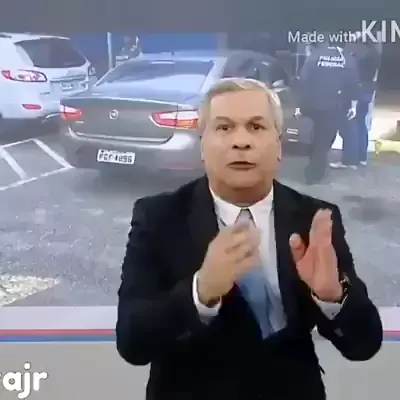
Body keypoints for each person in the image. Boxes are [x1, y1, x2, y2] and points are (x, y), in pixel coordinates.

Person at [116, 78, 382, 400]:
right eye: (224, 127)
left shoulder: (315, 220)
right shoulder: (159, 217)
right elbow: (132, 343)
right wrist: (200, 293)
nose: (241, 141)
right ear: (202, 146)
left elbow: (364, 345)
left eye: (256, 127)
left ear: (279, 146)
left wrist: (332, 296)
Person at [294, 40, 359, 184]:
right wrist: (353, 106)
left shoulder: (315, 56)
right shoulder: (346, 59)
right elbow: (353, 84)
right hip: (334, 106)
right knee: (324, 139)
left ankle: (314, 162)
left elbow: (303, 81)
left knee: (315, 136)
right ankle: (314, 173)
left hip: (312, 104)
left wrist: (299, 106)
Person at [330, 36, 381, 169]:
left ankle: (349, 160)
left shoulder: (360, 58)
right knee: (360, 124)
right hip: (367, 91)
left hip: (358, 92)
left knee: (351, 125)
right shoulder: (374, 56)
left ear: (362, 45)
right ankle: (361, 157)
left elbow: (352, 75)